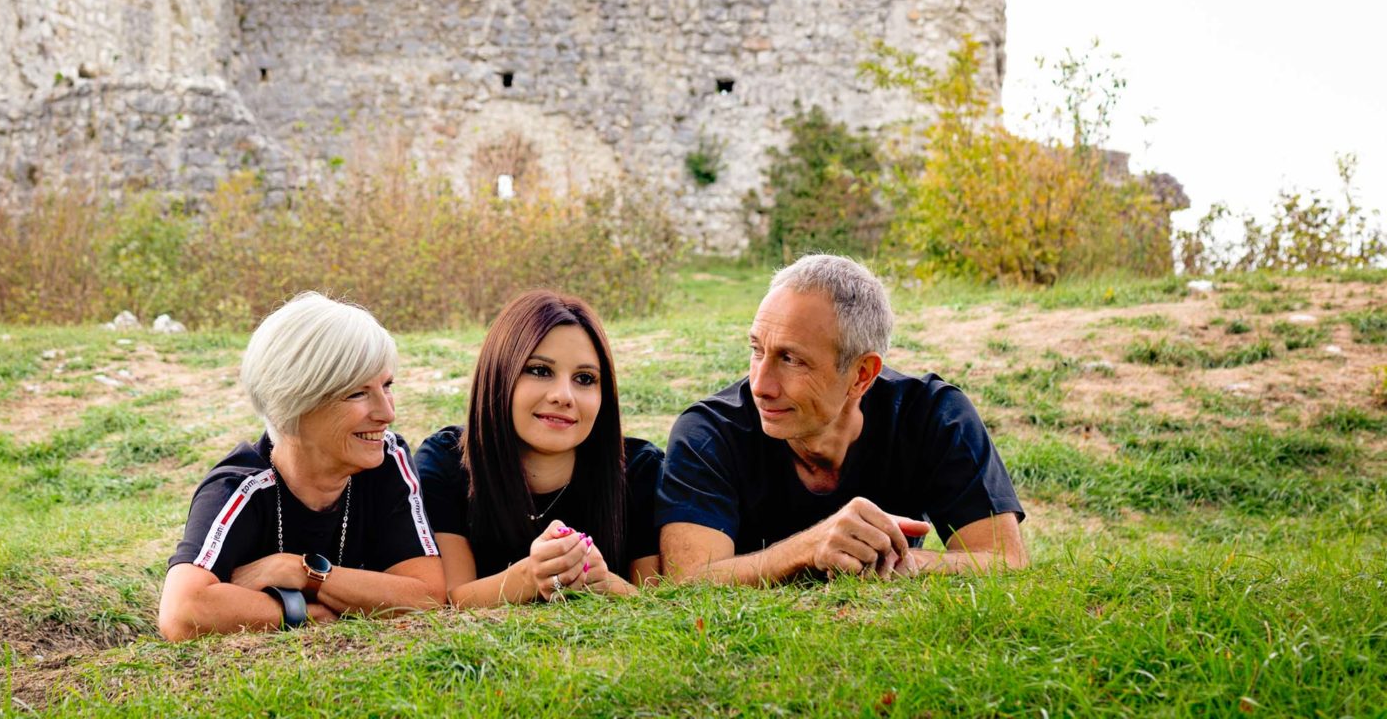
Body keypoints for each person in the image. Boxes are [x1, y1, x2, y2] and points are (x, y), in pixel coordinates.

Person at [658, 254, 1026, 584]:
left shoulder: (933, 415)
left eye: (791, 360)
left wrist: (893, 560)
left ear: (862, 375)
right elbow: (687, 577)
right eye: (757, 350)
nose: (761, 385)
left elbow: (1005, 560)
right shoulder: (709, 432)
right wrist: (810, 549)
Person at [157, 292, 445, 640]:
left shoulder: (387, 460)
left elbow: (427, 595)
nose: (387, 413)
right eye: (357, 393)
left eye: (387, 386)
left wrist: (301, 571)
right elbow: (183, 612)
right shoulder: (240, 487)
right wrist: (308, 615)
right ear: (294, 402)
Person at [414, 289, 662, 605]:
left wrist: (602, 581)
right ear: (499, 374)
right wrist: (531, 576)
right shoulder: (445, 463)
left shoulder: (640, 469)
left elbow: (657, 603)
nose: (564, 396)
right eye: (540, 371)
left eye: (585, 378)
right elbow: (448, 599)